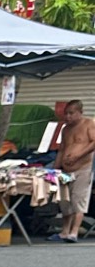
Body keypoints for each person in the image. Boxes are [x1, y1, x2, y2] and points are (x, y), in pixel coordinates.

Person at [56, 99, 95, 241]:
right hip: (66, 170)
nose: (68, 116)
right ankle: (65, 231)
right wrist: (55, 169)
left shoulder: (88, 124)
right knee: (65, 202)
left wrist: (77, 156)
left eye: (71, 113)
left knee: (78, 200)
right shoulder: (65, 129)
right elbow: (61, 150)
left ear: (80, 112)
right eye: (66, 113)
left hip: (83, 168)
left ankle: (74, 231)